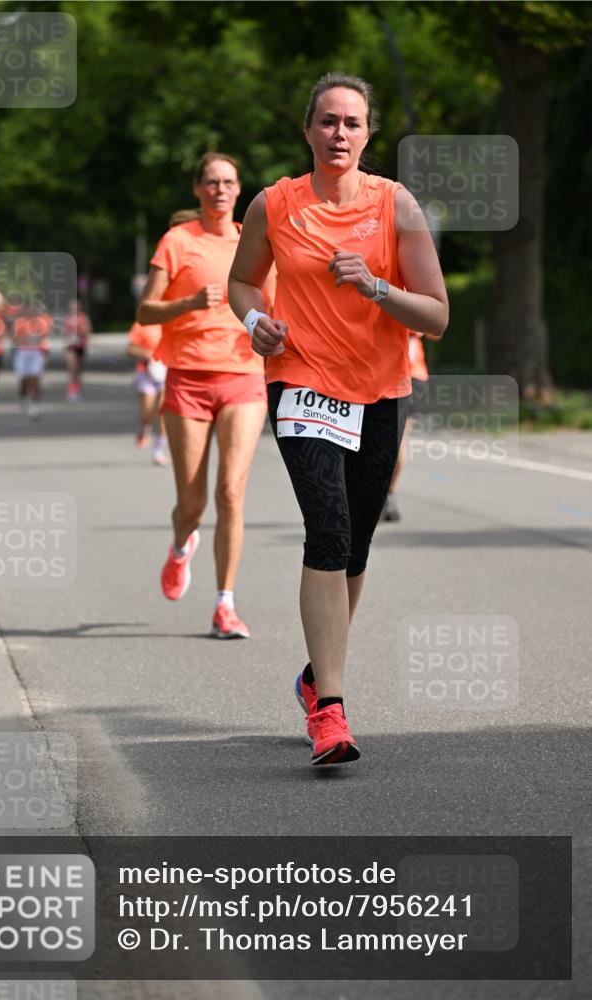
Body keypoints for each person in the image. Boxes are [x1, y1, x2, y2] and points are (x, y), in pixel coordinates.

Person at [228, 72, 448, 765]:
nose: (339, 134)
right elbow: (241, 282)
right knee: (325, 529)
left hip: (380, 391)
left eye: (351, 123)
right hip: (299, 383)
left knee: (354, 547)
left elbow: (436, 316)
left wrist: (376, 285)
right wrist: (258, 319)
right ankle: (330, 709)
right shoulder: (274, 204)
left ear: (367, 134)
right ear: (307, 130)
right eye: (327, 121)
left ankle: (313, 675)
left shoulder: (395, 205)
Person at [137, 152, 273, 639]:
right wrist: (192, 302)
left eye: (229, 182)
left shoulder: (253, 242)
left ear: (238, 191)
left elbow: (277, 306)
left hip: (242, 377)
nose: (220, 189)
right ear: (198, 189)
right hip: (188, 379)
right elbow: (146, 311)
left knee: (231, 492)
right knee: (192, 504)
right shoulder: (178, 241)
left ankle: (225, 604)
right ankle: (180, 545)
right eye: (211, 181)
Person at [381, 331, 430, 522]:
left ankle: (387, 494)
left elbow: (434, 329)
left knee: (398, 441)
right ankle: (387, 494)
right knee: (395, 440)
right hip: (388, 371)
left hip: (406, 374)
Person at [127, 319, 169, 464]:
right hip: (146, 372)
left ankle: (159, 450)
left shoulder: (170, 321)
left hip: (166, 372)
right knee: (147, 412)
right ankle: (145, 427)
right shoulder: (142, 324)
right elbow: (130, 349)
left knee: (163, 412)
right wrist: (148, 354)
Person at [13, 306, 52, 419]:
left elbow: (44, 340)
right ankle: (23, 397)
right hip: (23, 354)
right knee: (24, 381)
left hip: (36, 354)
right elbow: (16, 338)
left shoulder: (41, 324)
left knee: (36, 379)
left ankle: (34, 406)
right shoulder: (20, 323)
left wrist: (45, 355)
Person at [63, 299, 92, 401]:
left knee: (78, 370)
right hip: (71, 347)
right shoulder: (68, 318)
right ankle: (71, 391)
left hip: (80, 346)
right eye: (72, 307)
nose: (74, 308)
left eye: (76, 307)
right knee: (72, 368)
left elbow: (88, 331)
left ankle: (77, 390)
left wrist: (82, 332)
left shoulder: (83, 318)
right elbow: (65, 332)